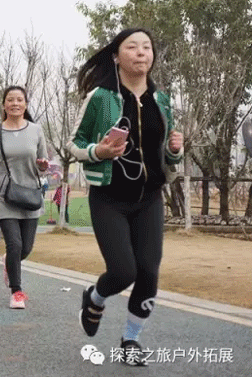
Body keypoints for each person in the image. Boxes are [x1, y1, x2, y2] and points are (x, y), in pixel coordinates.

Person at [68, 28, 183, 366]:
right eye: (132, 47)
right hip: (109, 197)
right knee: (123, 271)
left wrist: (175, 152)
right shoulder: (101, 97)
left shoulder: (161, 100)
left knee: (148, 270)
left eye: (147, 47)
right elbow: (74, 145)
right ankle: (95, 297)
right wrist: (99, 151)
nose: (141, 53)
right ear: (117, 56)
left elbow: (166, 154)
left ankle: (131, 340)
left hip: (149, 197)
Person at [0, 86, 50, 309]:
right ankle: (16, 292)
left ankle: (9, 263)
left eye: (19, 99)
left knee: (25, 248)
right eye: (10, 100)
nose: (15, 103)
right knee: (15, 244)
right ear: (4, 105)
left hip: (30, 192)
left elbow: (43, 161)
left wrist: (44, 166)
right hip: (3, 193)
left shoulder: (36, 130)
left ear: (25, 104)